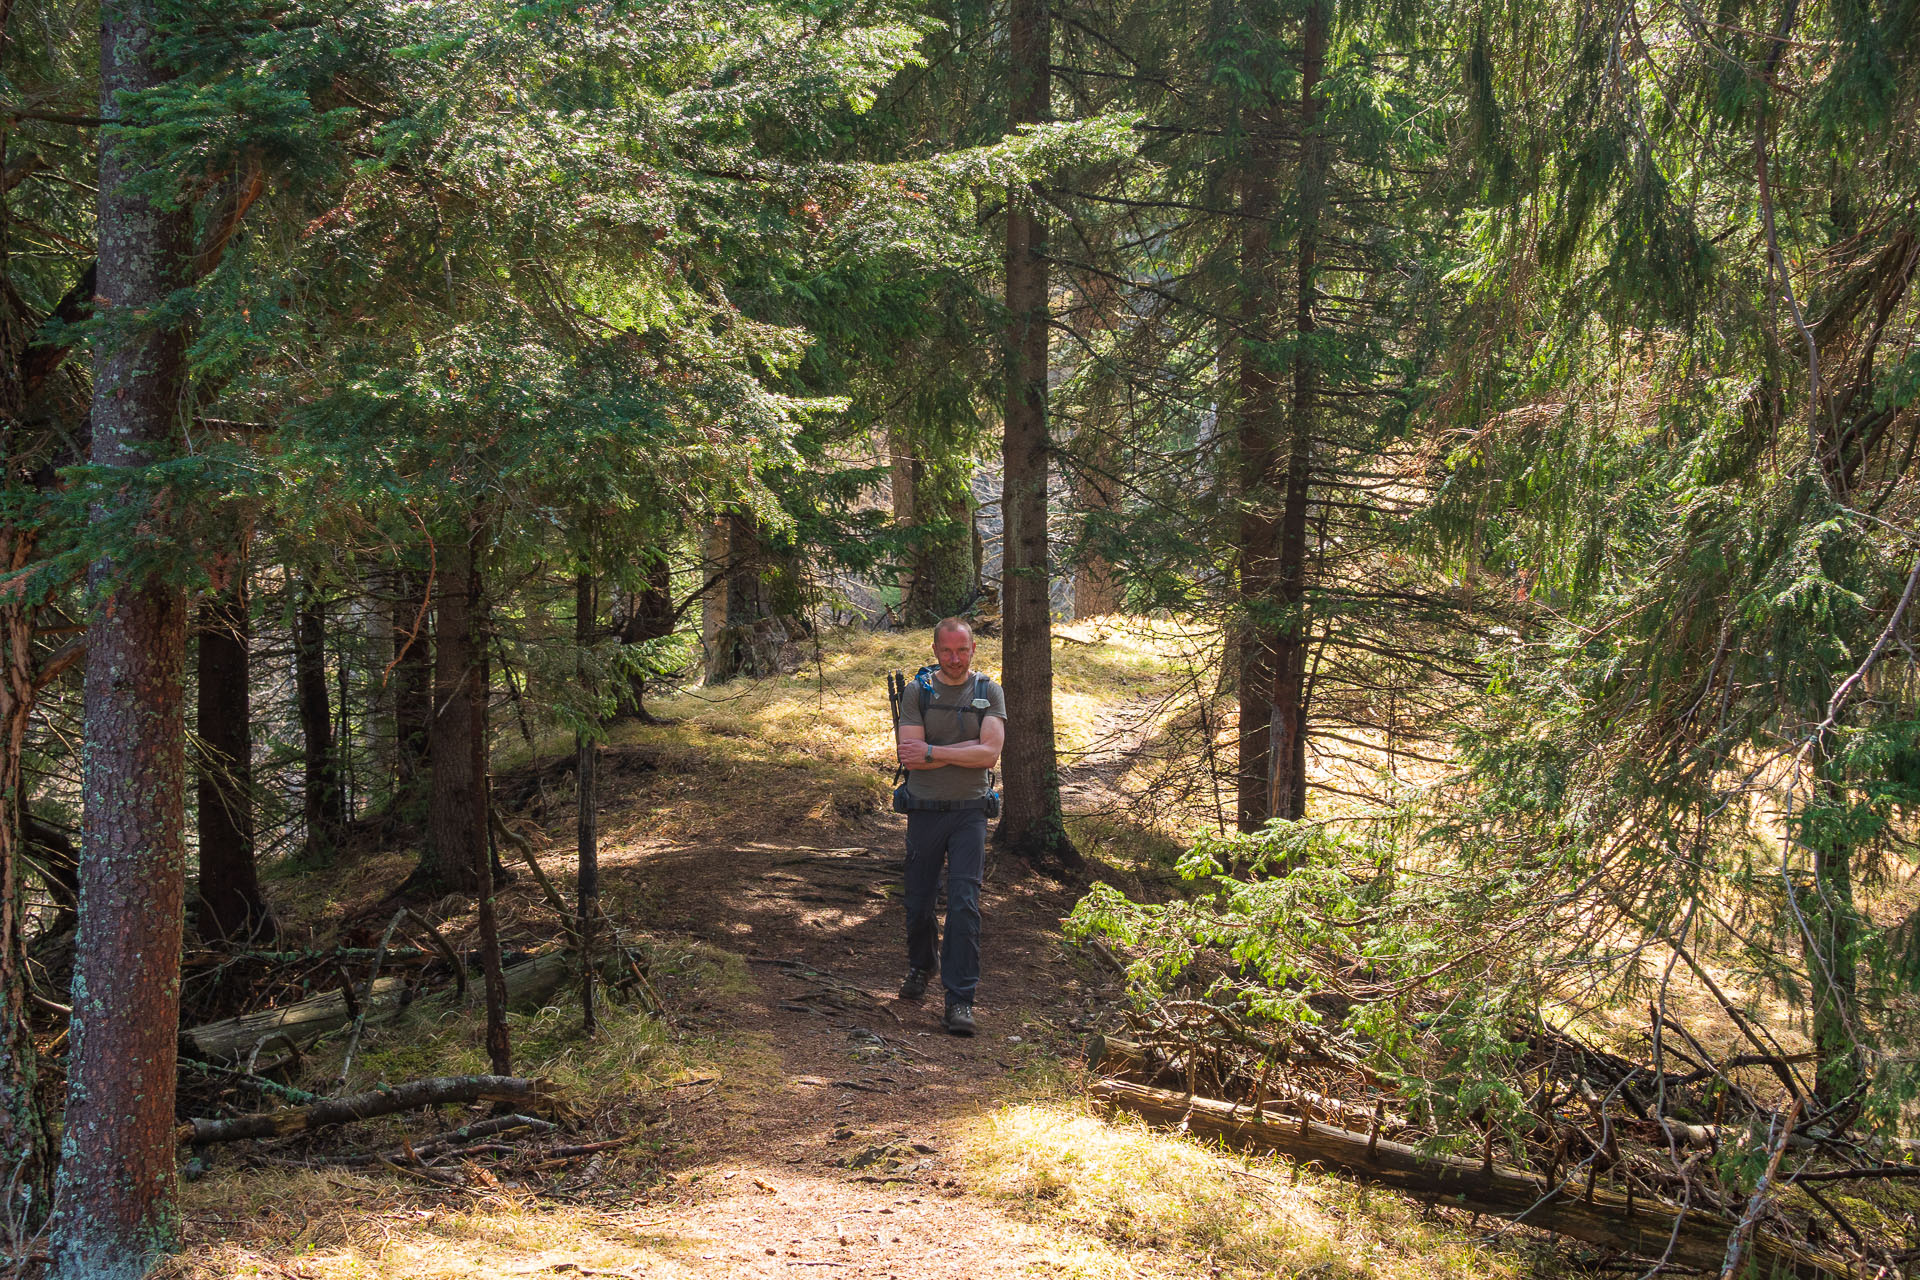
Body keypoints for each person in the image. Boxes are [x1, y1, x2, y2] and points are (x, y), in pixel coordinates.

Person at [893, 617, 1005, 1036]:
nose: (954, 659)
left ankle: (960, 999)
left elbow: (990, 753)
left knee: (964, 904)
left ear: (973, 649)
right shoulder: (917, 691)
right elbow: (909, 755)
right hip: (923, 809)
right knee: (918, 903)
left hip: (970, 812)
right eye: (946, 651)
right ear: (936, 649)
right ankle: (921, 966)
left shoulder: (987, 691)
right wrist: (963, 750)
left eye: (962, 650)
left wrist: (934, 752)